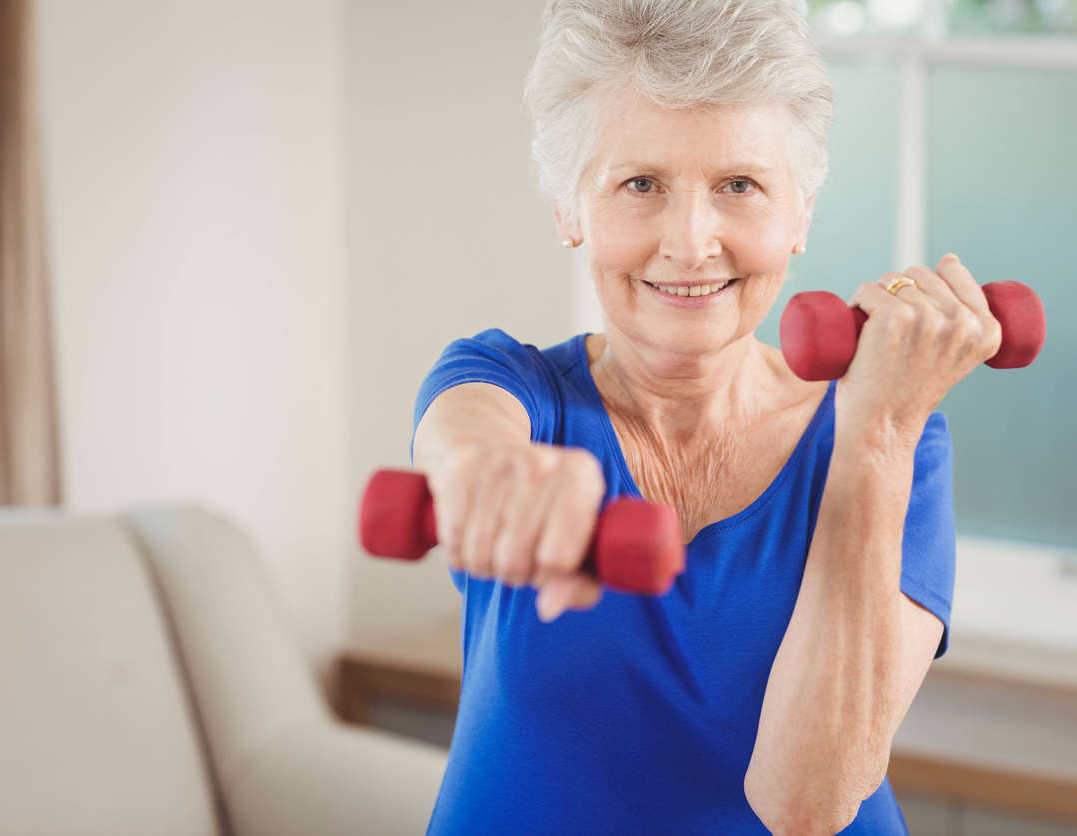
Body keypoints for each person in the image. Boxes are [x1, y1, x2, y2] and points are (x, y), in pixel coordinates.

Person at [409, 1, 1001, 833]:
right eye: (640, 184)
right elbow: (465, 443)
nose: (690, 243)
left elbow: (807, 803)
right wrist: (489, 478)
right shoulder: (507, 387)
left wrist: (877, 433)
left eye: (739, 185)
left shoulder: (900, 435)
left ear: (800, 213)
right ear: (570, 209)